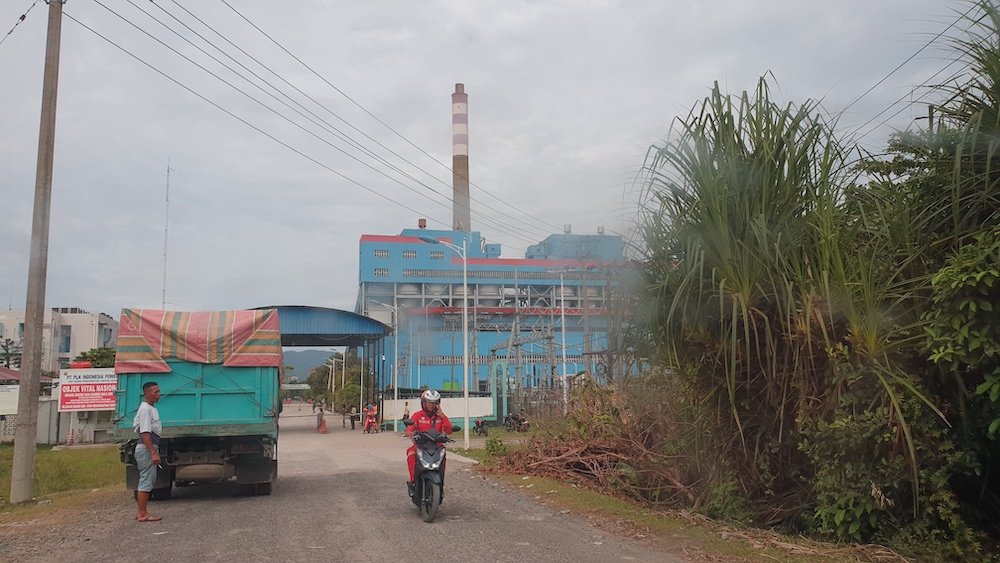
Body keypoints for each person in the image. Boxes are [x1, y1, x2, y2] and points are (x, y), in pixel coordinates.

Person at [404, 389, 453, 496]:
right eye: (429, 402)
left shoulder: (441, 416)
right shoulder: (417, 415)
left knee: (443, 458)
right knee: (411, 453)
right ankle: (413, 482)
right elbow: (410, 428)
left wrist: (442, 416)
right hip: (421, 445)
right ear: (423, 402)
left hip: (437, 446)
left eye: (434, 403)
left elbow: (449, 430)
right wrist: (410, 433)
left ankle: (441, 486)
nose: (431, 405)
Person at [133, 381, 162, 522]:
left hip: (148, 447)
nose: (158, 394)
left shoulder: (151, 408)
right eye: (155, 392)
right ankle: (142, 513)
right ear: (146, 394)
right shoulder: (145, 409)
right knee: (146, 480)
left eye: (158, 391)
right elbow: (145, 432)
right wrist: (153, 452)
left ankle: (141, 512)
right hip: (146, 448)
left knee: (147, 479)